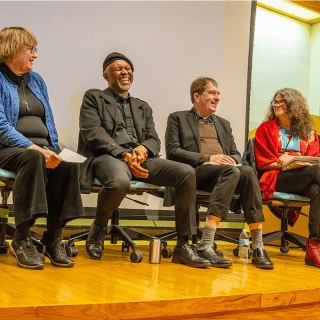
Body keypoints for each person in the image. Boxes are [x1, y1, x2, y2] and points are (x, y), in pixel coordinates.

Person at [78, 52, 211, 268]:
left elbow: (154, 139)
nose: (125, 72)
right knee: (120, 182)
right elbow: (92, 133)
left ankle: (182, 245)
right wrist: (124, 154)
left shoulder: (142, 106)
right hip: (108, 156)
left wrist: (143, 149)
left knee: (186, 172)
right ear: (105, 76)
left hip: (141, 158)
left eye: (128, 68)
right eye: (118, 68)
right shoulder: (94, 97)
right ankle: (99, 228)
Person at [165, 76, 274, 269]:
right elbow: (173, 151)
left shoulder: (223, 124)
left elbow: (236, 154)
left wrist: (233, 160)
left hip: (224, 173)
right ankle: (206, 243)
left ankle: (257, 246)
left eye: (218, 94)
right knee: (231, 172)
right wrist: (208, 158)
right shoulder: (178, 118)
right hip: (195, 173)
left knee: (248, 172)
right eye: (212, 93)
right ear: (197, 96)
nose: (217, 97)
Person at [0, 27, 85, 269]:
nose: (35, 55)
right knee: (32, 158)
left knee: (67, 163)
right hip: (7, 148)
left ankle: (53, 239)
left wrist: (55, 150)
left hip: (40, 149)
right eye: (31, 49)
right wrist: (34, 149)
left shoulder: (37, 80)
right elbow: (1, 126)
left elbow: (48, 119)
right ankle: (21, 239)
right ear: (13, 48)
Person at [254, 88, 320, 268]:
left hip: (305, 177)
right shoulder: (265, 129)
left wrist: (296, 161)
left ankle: (314, 246)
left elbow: (315, 159)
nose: (276, 105)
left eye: (281, 102)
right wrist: (286, 163)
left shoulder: (309, 133)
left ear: (294, 105)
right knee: (317, 172)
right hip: (277, 177)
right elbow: (263, 163)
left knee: (317, 190)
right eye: (275, 102)